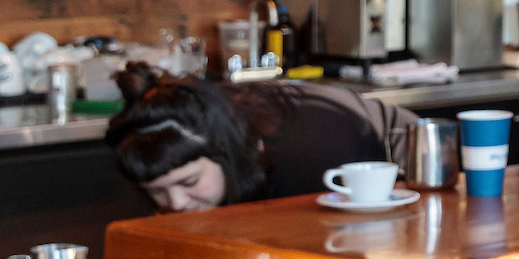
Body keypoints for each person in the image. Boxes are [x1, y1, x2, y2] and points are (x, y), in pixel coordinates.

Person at [107, 75, 390, 211]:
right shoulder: (199, 122)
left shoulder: (306, 158)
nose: (175, 203)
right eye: (156, 191)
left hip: (413, 164)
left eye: (189, 182)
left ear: (225, 152)